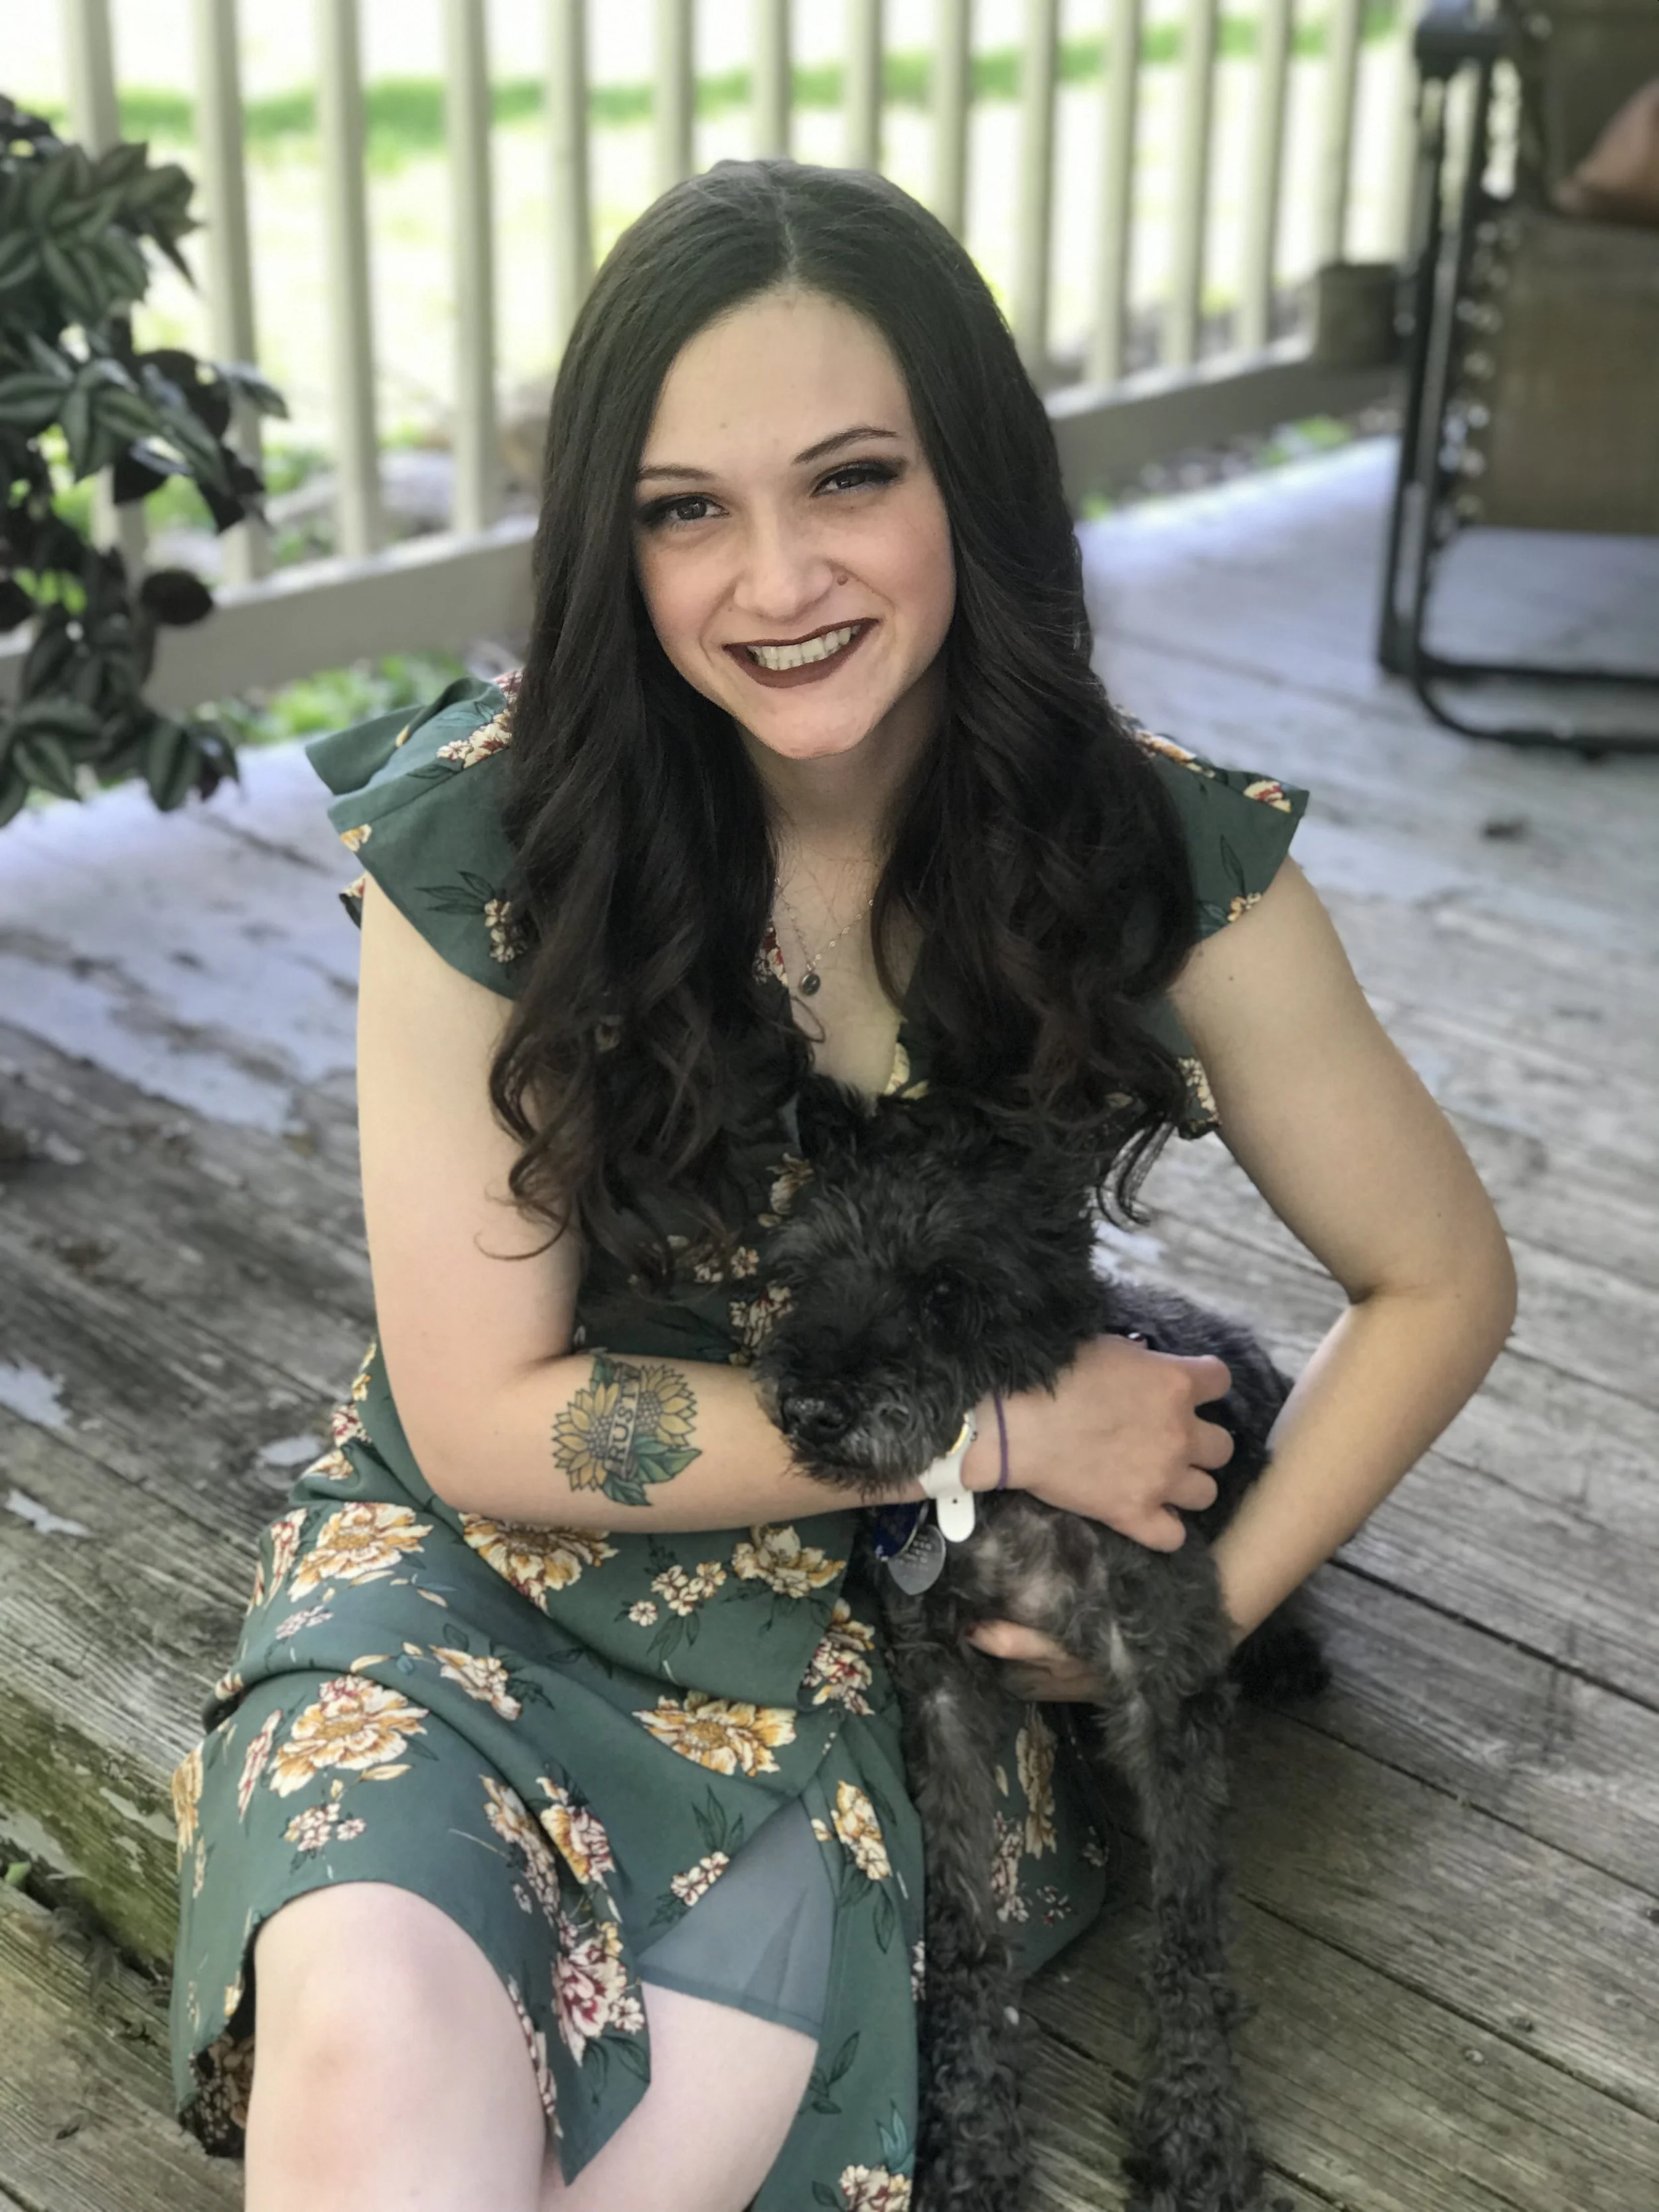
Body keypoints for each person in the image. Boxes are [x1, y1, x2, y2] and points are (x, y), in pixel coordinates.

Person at [167, 158, 1516, 2212]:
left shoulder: (1151, 855)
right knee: (369, 2077)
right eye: (683, 509)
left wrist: (1208, 1611)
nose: (776, 578)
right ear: (610, 542)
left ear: (968, 477)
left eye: (850, 479)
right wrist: (1002, 1430)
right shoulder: (488, 843)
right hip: (465, 1588)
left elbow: (1436, 1276)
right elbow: (482, 1418)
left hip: (862, 1646)